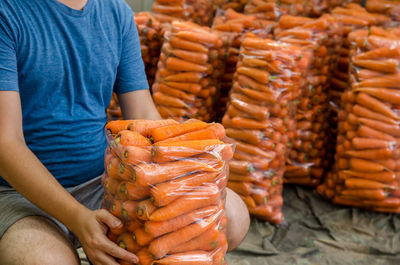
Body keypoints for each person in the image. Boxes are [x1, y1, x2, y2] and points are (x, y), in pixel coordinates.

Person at [0, 0, 250, 264]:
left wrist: (185, 173)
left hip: (104, 182)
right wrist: (77, 218)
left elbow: (143, 115)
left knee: (232, 216)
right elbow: (6, 144)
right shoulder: (7, 12)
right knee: (48, 261)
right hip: (18, 192)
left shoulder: (116, 12)